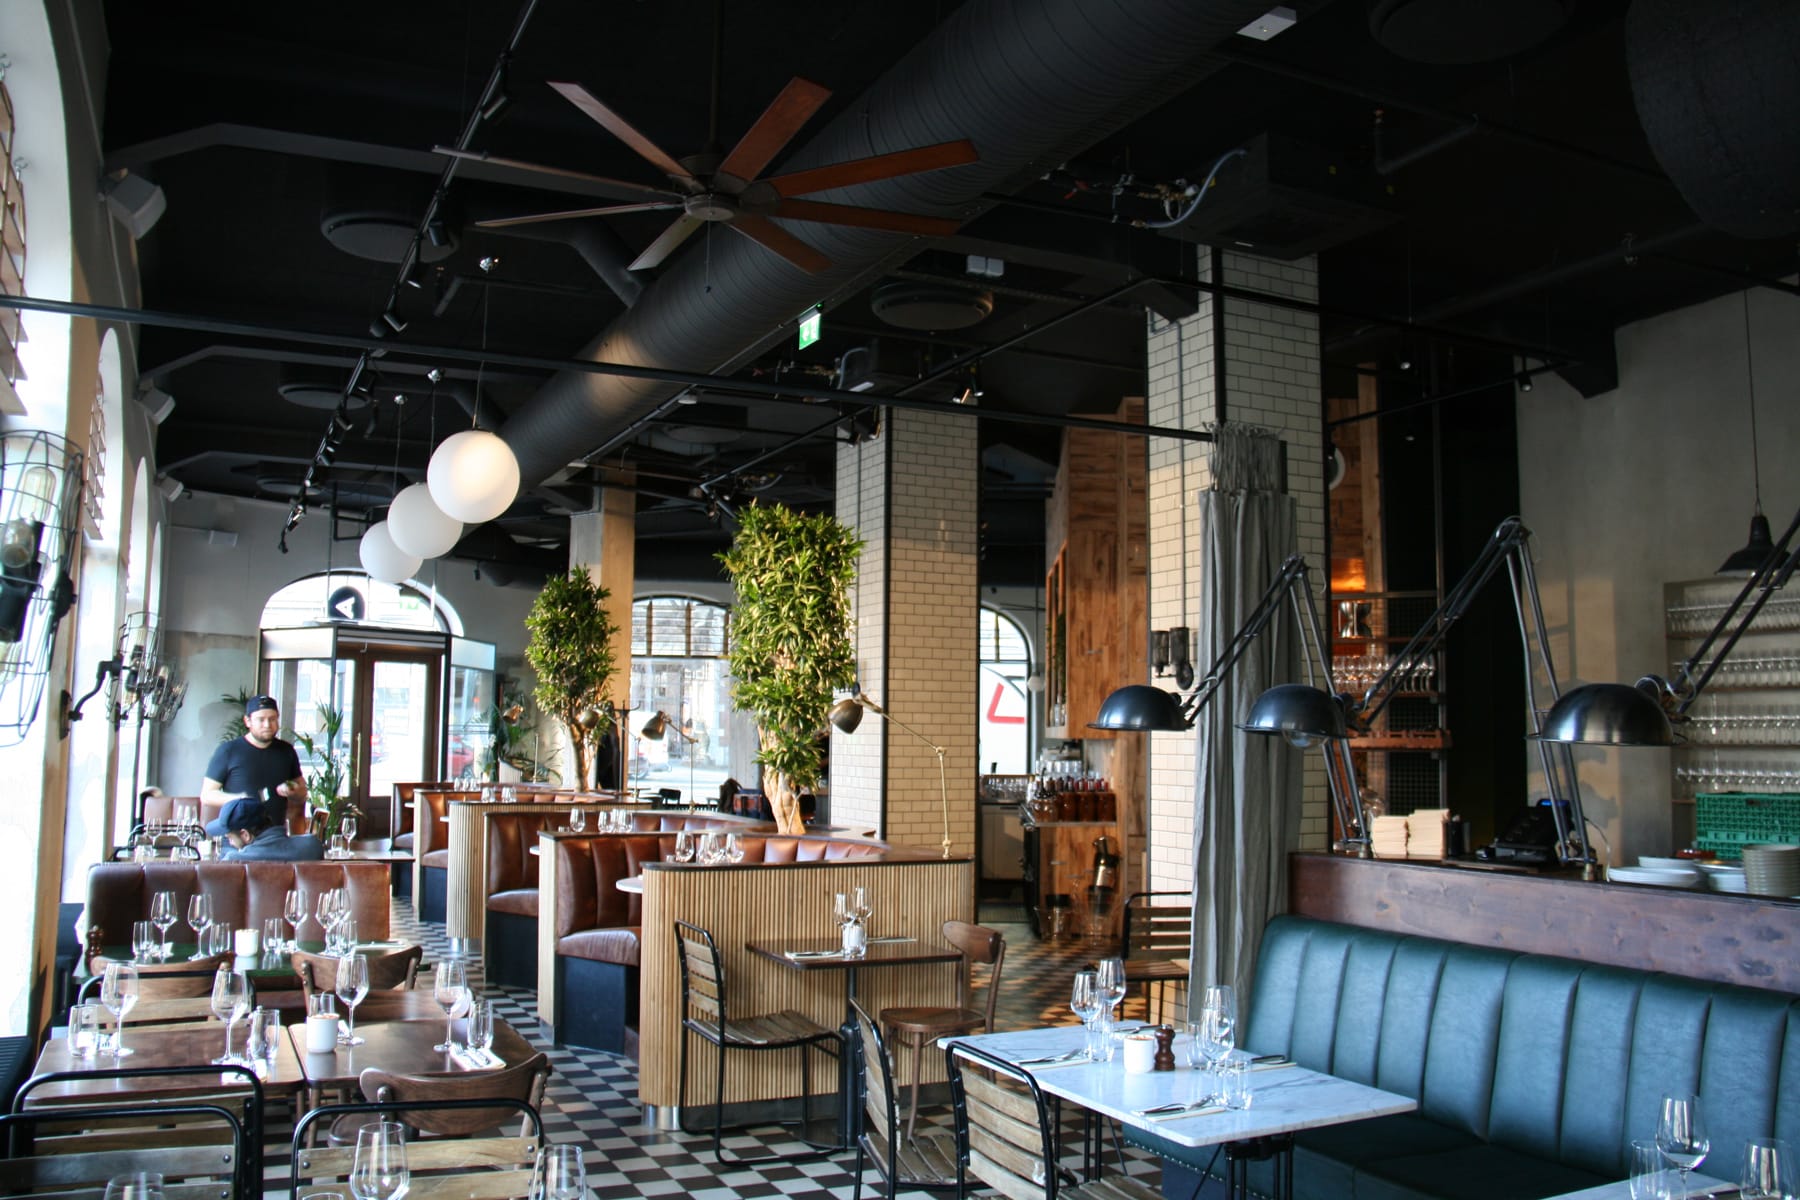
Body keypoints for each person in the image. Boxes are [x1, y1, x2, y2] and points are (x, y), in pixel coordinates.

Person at [203, 694, 307, 836]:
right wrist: (241, 799)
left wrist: (293, 789)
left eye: (272, 719)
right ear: (247, 721)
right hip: (238, 839)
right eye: (261, 719)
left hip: (275, 837)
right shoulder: (228, 751)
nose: (267, 725)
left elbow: (302, 793)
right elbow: (207, 796)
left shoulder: (286, 751)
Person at [215, 796, 324, 862]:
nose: (230, 842)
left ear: (245, 835)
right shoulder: (312, 846)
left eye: (229, 837)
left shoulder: (233, 860)